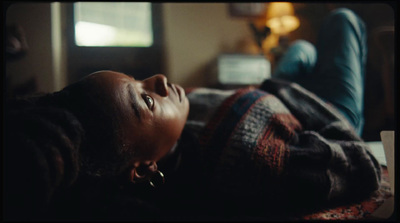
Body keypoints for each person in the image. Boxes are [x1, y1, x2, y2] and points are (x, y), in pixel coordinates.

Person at [4, 8, 381, 221]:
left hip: (276, 94)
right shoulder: (250, 168)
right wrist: (285, 94)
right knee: (343, 20)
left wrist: (269, 90)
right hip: (317, 109)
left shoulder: (177, 128)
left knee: (299, 50)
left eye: (139, 79)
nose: (160, 79)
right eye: (147, 101)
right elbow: (356, 163)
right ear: (145, 168)